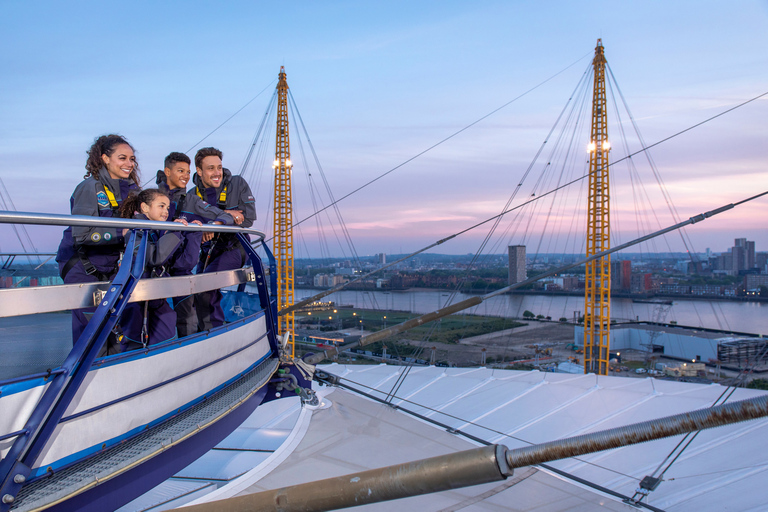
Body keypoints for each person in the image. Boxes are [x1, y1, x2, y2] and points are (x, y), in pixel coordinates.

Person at [55, 134, 141, 349]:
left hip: (109, 268)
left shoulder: (128, 190)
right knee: (91, 339)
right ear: (105, 158)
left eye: (132, 159)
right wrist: (120, 233)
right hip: (81, 267)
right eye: (122, 158)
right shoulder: (89, 188)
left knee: (110, 333)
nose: (129, 164)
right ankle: (83, 380)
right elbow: (82, 234)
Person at [155, 152, 235, 337]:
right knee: (156, 321)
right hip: (155, 268)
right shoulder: (153, 198)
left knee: (188, 320)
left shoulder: (192, 201)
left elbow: (223, 216)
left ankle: (193, 357)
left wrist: (212, 226)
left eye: (188, 171)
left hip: (181, 269)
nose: (185, 176)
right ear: (167, 171)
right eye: (180, 170)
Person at [117, 188, 192, 351]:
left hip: (156, 296)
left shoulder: (156, 231)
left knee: (165, 335)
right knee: (133, 343)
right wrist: (174, 231)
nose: (166, 211)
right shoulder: (133, 231)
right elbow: (154, 257)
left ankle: (163, 371)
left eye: (167, 207)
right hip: (136, 298)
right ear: (144, 208)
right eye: (161, 206)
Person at [191, 147, 256, 331]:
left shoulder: (237, 184)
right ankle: (201, 331)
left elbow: (248, 218)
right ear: (199, 171)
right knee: (195, 288)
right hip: (207, 248)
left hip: (235, 246)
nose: (217, 173)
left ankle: (214, 334)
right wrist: (225, 216)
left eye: (219, 167)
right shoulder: (192, 194)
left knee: (205, 287)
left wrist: (212, 222)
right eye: (210, 168)